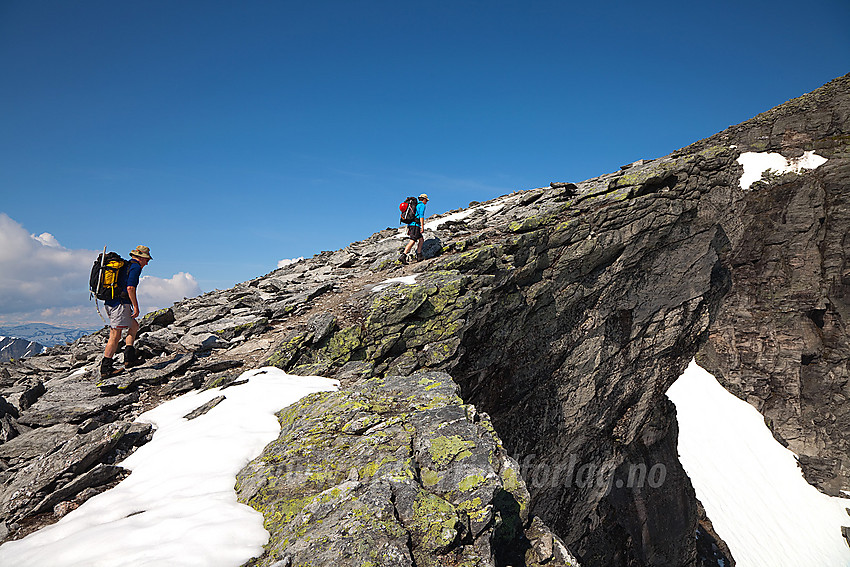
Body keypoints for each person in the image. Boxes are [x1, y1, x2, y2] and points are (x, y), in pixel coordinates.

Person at [100, 245, 152, 377]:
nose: (147, 263)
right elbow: (130, 288)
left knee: (134, 325)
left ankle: (129, 358)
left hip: (112, 302)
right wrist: (136, 306)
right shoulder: (135, 268)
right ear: (140, 258)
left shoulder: (126, 266)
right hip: (120, 304)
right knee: (115, 335)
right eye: (146, 260)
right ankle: (106, 369)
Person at [401, 194, 428, 264]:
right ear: (423, 199)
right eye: (426, 200)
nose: (426, 202)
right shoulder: (422, 205)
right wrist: (422, 226)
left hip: (411, 225)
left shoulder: (415, 205)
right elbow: (421, 216)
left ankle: (419, 255)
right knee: (412, 240)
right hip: (416, 225)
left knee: (421, 240)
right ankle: (403, 256)